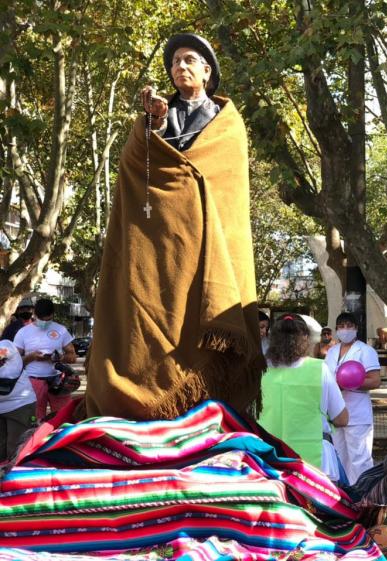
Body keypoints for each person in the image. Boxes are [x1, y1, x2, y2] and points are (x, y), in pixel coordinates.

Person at [82, 32, 266, 422]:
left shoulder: (228, 127)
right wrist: (153, 124)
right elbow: (136, 166)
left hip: (208, 250)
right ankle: (142, 404)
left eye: (188, 60)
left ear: (207, 71)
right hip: (160, 243)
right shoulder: (157, 115)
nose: (179, 67)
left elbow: (221, 187)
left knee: (202, 326)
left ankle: (203, 414)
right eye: (174, 62)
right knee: (146, 316)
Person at [257, 314, 348, 481]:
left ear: (273, 339)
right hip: (313, 464)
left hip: (267, 461)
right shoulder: (319, 369)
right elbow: (342, 418)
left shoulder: (259, 370)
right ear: (305, 338)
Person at [324, 312, 381, 484]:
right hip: (335, 412)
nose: (345, 330)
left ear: (356, 328)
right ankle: (345, 495)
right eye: (341, 326)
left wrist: (349, 383)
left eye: (349, 326)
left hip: (356, 411)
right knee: (340, 456)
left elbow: (375, 380)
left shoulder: (365, 351)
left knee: (359, 457)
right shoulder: (332, 352)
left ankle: (364, 494)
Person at [13, 298, 76, 421]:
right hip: (33, 382)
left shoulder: (61, 330)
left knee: (65, 418)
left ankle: (61, 440)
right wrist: (32, 357)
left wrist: (60, 358)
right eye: (41, 319)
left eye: (48, 319)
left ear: (53, 315)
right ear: (35, 315)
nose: (44, 322)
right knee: (34, 421)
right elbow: (14, 361)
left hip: (58, 382)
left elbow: (72, 356)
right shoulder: (23, 332)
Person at [0, 340, 36, 462]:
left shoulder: (5, 346)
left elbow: (1, 353)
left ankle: (16, 477)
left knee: (17, 447)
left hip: (20, 406)